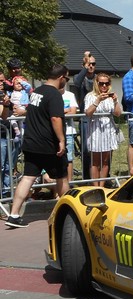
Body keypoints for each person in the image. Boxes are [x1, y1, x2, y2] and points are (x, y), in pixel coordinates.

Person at [5, 65, 71, 229]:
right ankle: (70, 213)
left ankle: (13, 215)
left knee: (28, 177)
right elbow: (56, 118)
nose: (66, 82)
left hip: (31, 142)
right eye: (67, 78)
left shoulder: (37, 92)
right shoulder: (54, 94)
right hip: (48, 145)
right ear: (61, 77)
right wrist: (61, 140)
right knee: (62, 177)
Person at [84, 73, 122, 187]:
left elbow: (118, 113)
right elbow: (88, 113)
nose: (104, 86)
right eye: (101, 83)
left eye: (107, 83)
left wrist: (115, 101)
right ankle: (95, 187)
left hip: (108, 129)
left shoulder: (111, 97)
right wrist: (98, 100)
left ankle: (102, 186)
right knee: (95, 161)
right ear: (97, 83)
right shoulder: (90, 96)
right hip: (95, 129)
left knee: (106, 161)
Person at [71, 51, 97, 180]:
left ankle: (102, 176)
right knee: (86, 149)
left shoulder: (98, 79)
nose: (91, 66)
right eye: (88, 64)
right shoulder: (79, 78)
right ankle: (87, 177)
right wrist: (85, 67)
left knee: (100, 148)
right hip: (85, 117)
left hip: (98, 116)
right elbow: (76, 83)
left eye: (93, 64)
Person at [60, 86, 79, 182]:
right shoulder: (52, 95)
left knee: (69, 158)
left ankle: (69, 182)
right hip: (53, 132)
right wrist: (65, 111)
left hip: (68, 131)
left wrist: (58, 113)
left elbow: (73, 112)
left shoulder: (70, 95)